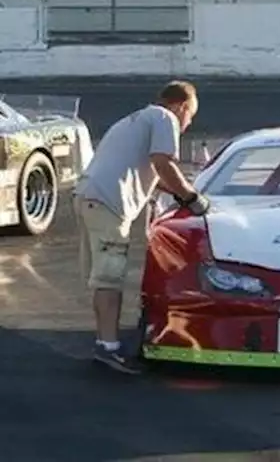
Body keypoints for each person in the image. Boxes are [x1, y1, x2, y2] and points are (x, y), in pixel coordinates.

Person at [72, 81, 205, 373]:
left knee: (103, 278)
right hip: (108, 202)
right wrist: (193, 199)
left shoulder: (135, 119)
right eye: (190, 116)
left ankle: (104, 341)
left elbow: (149, 174)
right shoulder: (164, 118)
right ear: (181, 106)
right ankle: (108, 349)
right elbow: (163, 164)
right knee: (110, 278)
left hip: (88, 197)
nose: (187, 123)